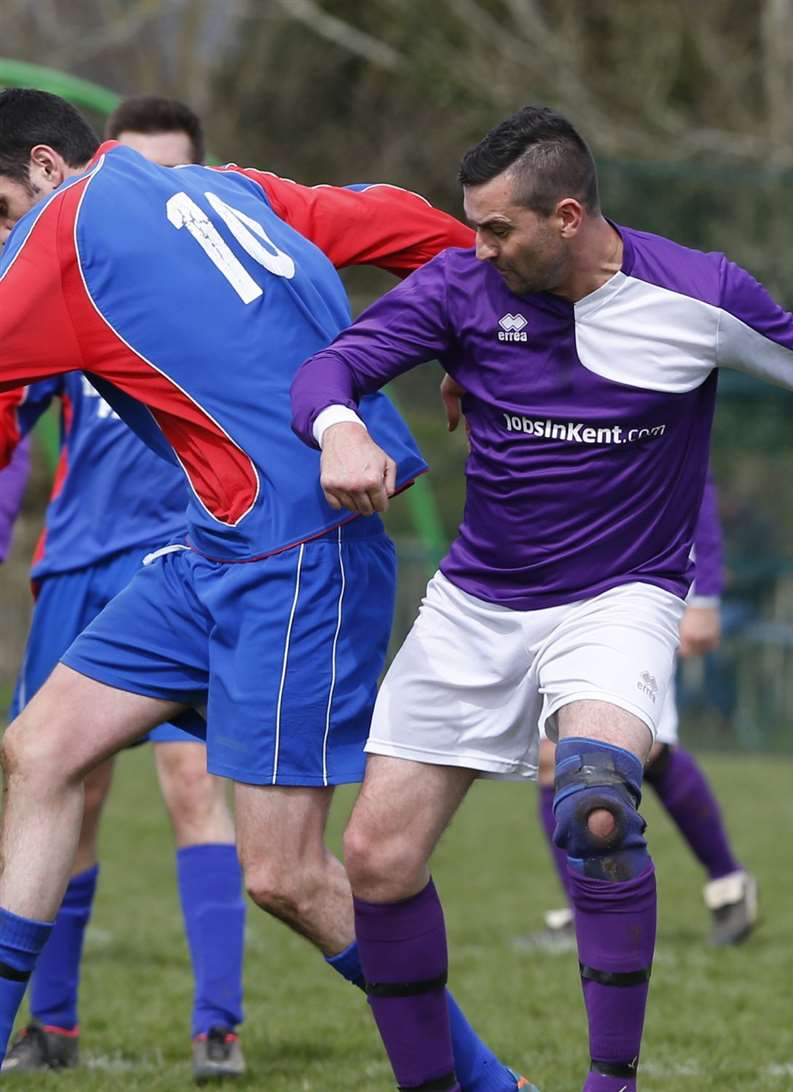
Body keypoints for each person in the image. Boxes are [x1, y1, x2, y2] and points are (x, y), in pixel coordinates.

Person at [289, 106, 793, 1091]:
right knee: (378, 861)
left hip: (620, 597)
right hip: (477, 602)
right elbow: (329, 366)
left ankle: (612, 1082)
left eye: (496, 227)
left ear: (566, 215)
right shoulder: (460, 288)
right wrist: (341, 427)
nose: (476, 246)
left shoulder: (698, 291)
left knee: (595, 804)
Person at [0, 89, 533, 1092]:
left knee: (286, 873)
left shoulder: (58, 230)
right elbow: (405, 225)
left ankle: (489, 1084)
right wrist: (474, 344)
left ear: (41, 168)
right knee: (39, 749)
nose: (3, 242)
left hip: (298, 553)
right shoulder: (222, 187)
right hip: (218, 547)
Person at [0, 94, 249, 1080]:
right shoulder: (59, 273)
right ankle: (48, 1024)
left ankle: (217, 1027)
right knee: (63, 780)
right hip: (76, 562)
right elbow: (15, 415)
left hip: (187, 556)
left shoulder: (221, 282)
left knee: (194, 783)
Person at [528, 474, 758, 948]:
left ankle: (728, 882)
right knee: (554, 759)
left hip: (646, 589)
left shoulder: (654, 402)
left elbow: (696, 487)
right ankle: (585, 906)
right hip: (571, 584)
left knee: (644, 748)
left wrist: (707, 593)